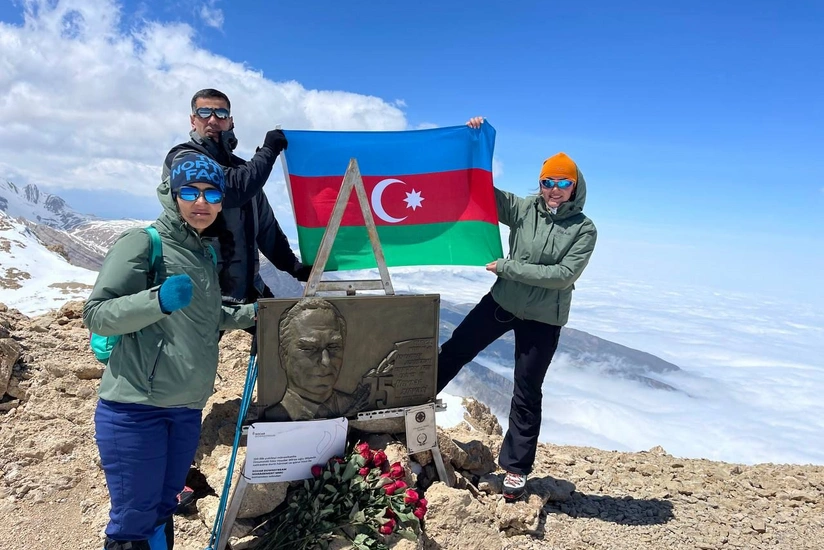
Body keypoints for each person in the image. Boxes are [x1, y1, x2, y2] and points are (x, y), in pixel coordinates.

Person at [83, 153, 258, 550]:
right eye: (190, 192)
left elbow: (210, 315)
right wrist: (156, 300)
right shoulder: (144, 242)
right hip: (135, 409)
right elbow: (96, 315)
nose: (202, 202)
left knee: (164, 506)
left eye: (211, 193)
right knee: (133, 519)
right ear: (172, 193)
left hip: (186, 408)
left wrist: (254, 314)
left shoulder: (204, 251)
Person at [436, 116, 597, 501]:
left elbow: (561, 275)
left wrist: (507, 267)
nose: (554, 189)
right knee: (456, 349)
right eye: (548, 181)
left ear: (575, 186)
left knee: (527, 389)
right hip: (504, 301)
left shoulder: (584, 229)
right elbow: (481, 194)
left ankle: (516, 469)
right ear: (540, 183)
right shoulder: (525, 209)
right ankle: (413, 407)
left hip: (543, 318)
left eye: (563, 182)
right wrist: (474, 142)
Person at [162, 88, 312, 309]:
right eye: (204, 113)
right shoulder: (184, 159)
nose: (213, 120)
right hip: (202, 293)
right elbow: (231, 189)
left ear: (230, 121)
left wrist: (293, 267)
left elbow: (266, 228)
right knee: (200, 345)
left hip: (248, 289)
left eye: (221, 114)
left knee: (279, 336)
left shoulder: (245, 171)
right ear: (193, 120)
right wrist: (268, 151)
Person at [264, 298, 369, 421]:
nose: (326, 361)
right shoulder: (276, 415)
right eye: (309, 348)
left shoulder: (353, 404)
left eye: (334, 346)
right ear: (283, 356)